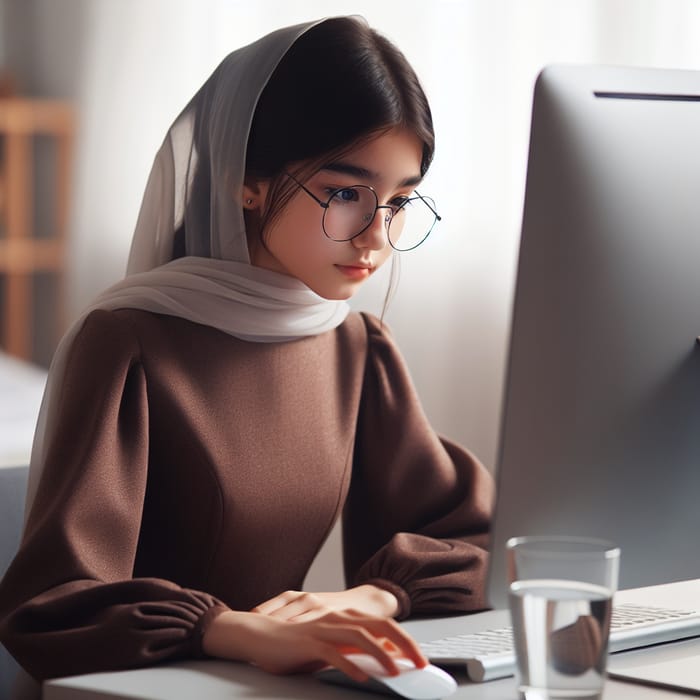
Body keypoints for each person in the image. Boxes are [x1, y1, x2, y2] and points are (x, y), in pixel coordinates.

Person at [0, 14, 494, 691]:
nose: (376, 237)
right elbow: (51, 604)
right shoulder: (129, 341)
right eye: (347, 194)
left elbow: (470, 537)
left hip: (269, 684)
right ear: (248, 180)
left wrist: (375, 598)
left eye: (399, 201)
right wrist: (236, 629)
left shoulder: (358, 347)